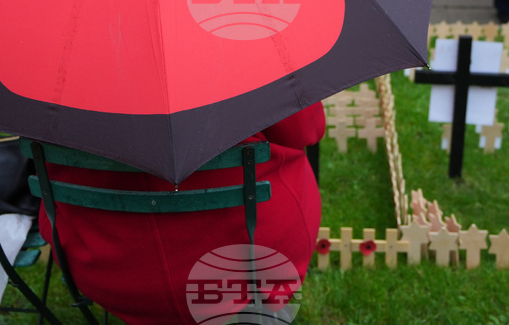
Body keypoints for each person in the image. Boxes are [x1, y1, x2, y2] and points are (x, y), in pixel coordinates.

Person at [40, 103, 325, 324]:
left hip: (109, 266)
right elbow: (307, 130)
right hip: (251, 260)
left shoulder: (58, 55)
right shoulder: (246, 37)